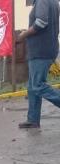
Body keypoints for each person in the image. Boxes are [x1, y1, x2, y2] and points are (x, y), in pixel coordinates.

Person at [17, 0, 60, 129]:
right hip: (46, 48)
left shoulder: (42, 1)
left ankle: (33, 119)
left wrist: (24, 34)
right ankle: (33, 119)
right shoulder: (53, 1)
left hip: (41, 50)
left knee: (37, 85)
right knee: (32, 86)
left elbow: (41, 22)